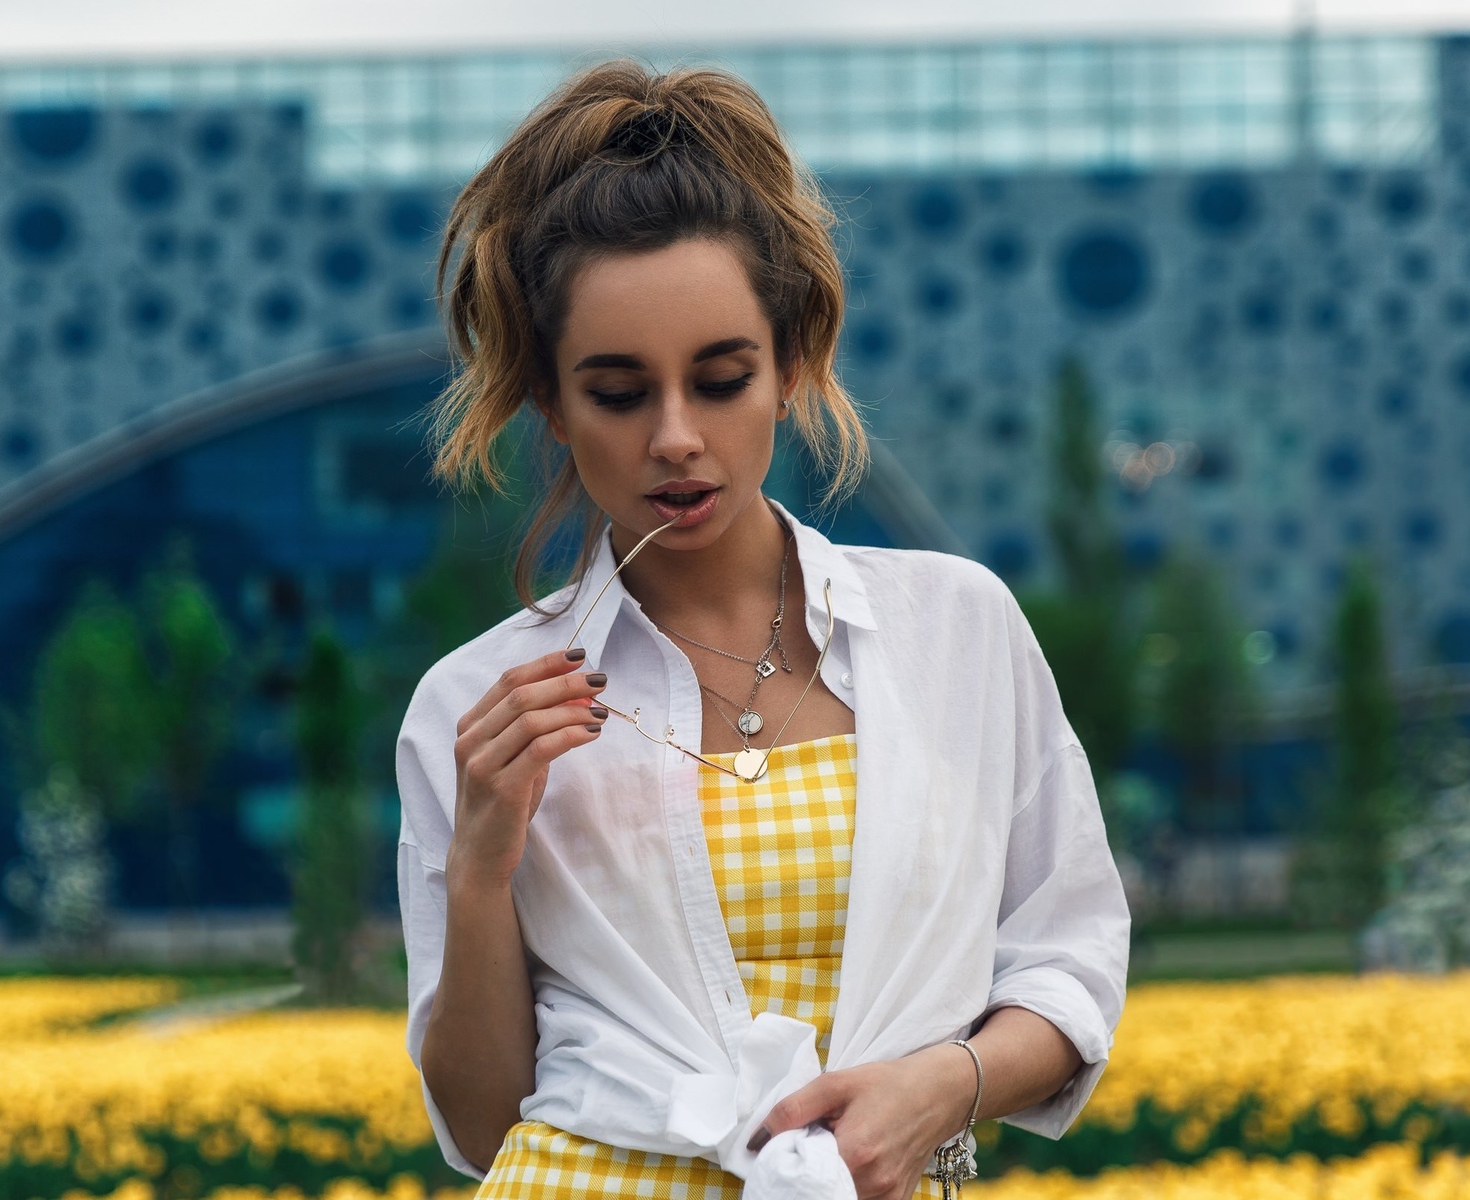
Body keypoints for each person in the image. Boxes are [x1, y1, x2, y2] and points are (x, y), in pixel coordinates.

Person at [397, 59, 1130, 1200]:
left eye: (723, 379)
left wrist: (946, 1083)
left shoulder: (957, 632)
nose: (677, 437)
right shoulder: (478, 704)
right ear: (549, 399)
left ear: (793, 365)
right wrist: (483, 863)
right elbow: (487, 1124)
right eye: (620, 392)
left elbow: (1071, 964)